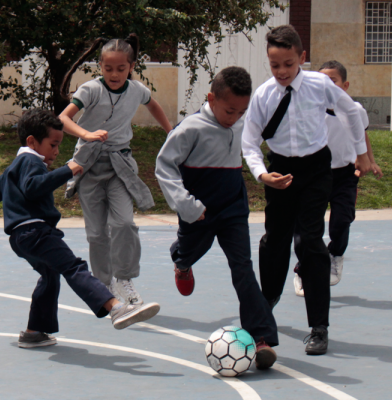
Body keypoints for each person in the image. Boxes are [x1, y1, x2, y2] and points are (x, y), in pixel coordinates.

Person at [0, 109, 160, 348]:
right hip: (37, 232)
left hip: (20, 238)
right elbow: (33, 188)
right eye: (53, 144)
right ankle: (115, 308)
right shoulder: (30, 161)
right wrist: (68, 169)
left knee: (50, 276)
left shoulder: (14, 167)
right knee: (73, 267)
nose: (57, 151)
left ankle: (34, 332)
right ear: (31, 142)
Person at [242, 25, 371, 355]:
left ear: (301, 58)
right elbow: (249, 141)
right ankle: (265, 306)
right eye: (275, 65)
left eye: (288, 63)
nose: (282, 71)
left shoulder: (319, 85)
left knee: (310, 241)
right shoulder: (263, 96)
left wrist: (360, 152)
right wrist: (262, 174)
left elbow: (352, 111)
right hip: (280, 172)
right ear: (268, 63)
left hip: (316, 169)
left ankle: (318, 327)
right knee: (275, 240)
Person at [156, 66, 279, 370]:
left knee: (243, 268)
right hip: (198, 210)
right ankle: (181, 261)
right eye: (229, 110)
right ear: (211, 98)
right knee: (190, 251)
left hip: (233, 209)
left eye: (242, 111)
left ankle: (260, 337)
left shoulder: (243, 125)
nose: (235, 117)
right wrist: (187, 205)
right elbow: (164, 167)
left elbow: (255, 146)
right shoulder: (190, 129)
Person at [59, 34, 172, 307]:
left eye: (121, 68)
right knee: (97, 234)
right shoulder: (90, 90)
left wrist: (171, 131)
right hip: (88, 165)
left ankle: (124, 279)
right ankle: (104, 285)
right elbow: (63, 118)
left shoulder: (136, 90)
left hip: (120, 166)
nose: (114, 73)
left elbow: (153, 104)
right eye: (108, 68)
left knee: (124, 224)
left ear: (131, 66)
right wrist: (86, 134)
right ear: (100, 66)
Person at [293, 60, 384, 297]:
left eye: (332, 80)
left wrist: (369, 160)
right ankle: (303, 270)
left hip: (345, 174)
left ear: (345, 85)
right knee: (307, 228)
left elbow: (362, 136)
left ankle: (334, 255)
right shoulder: (310, 109)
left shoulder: (356, 110)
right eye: (321, 80)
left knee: (342, 220)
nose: (326, 85)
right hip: (315, 174)